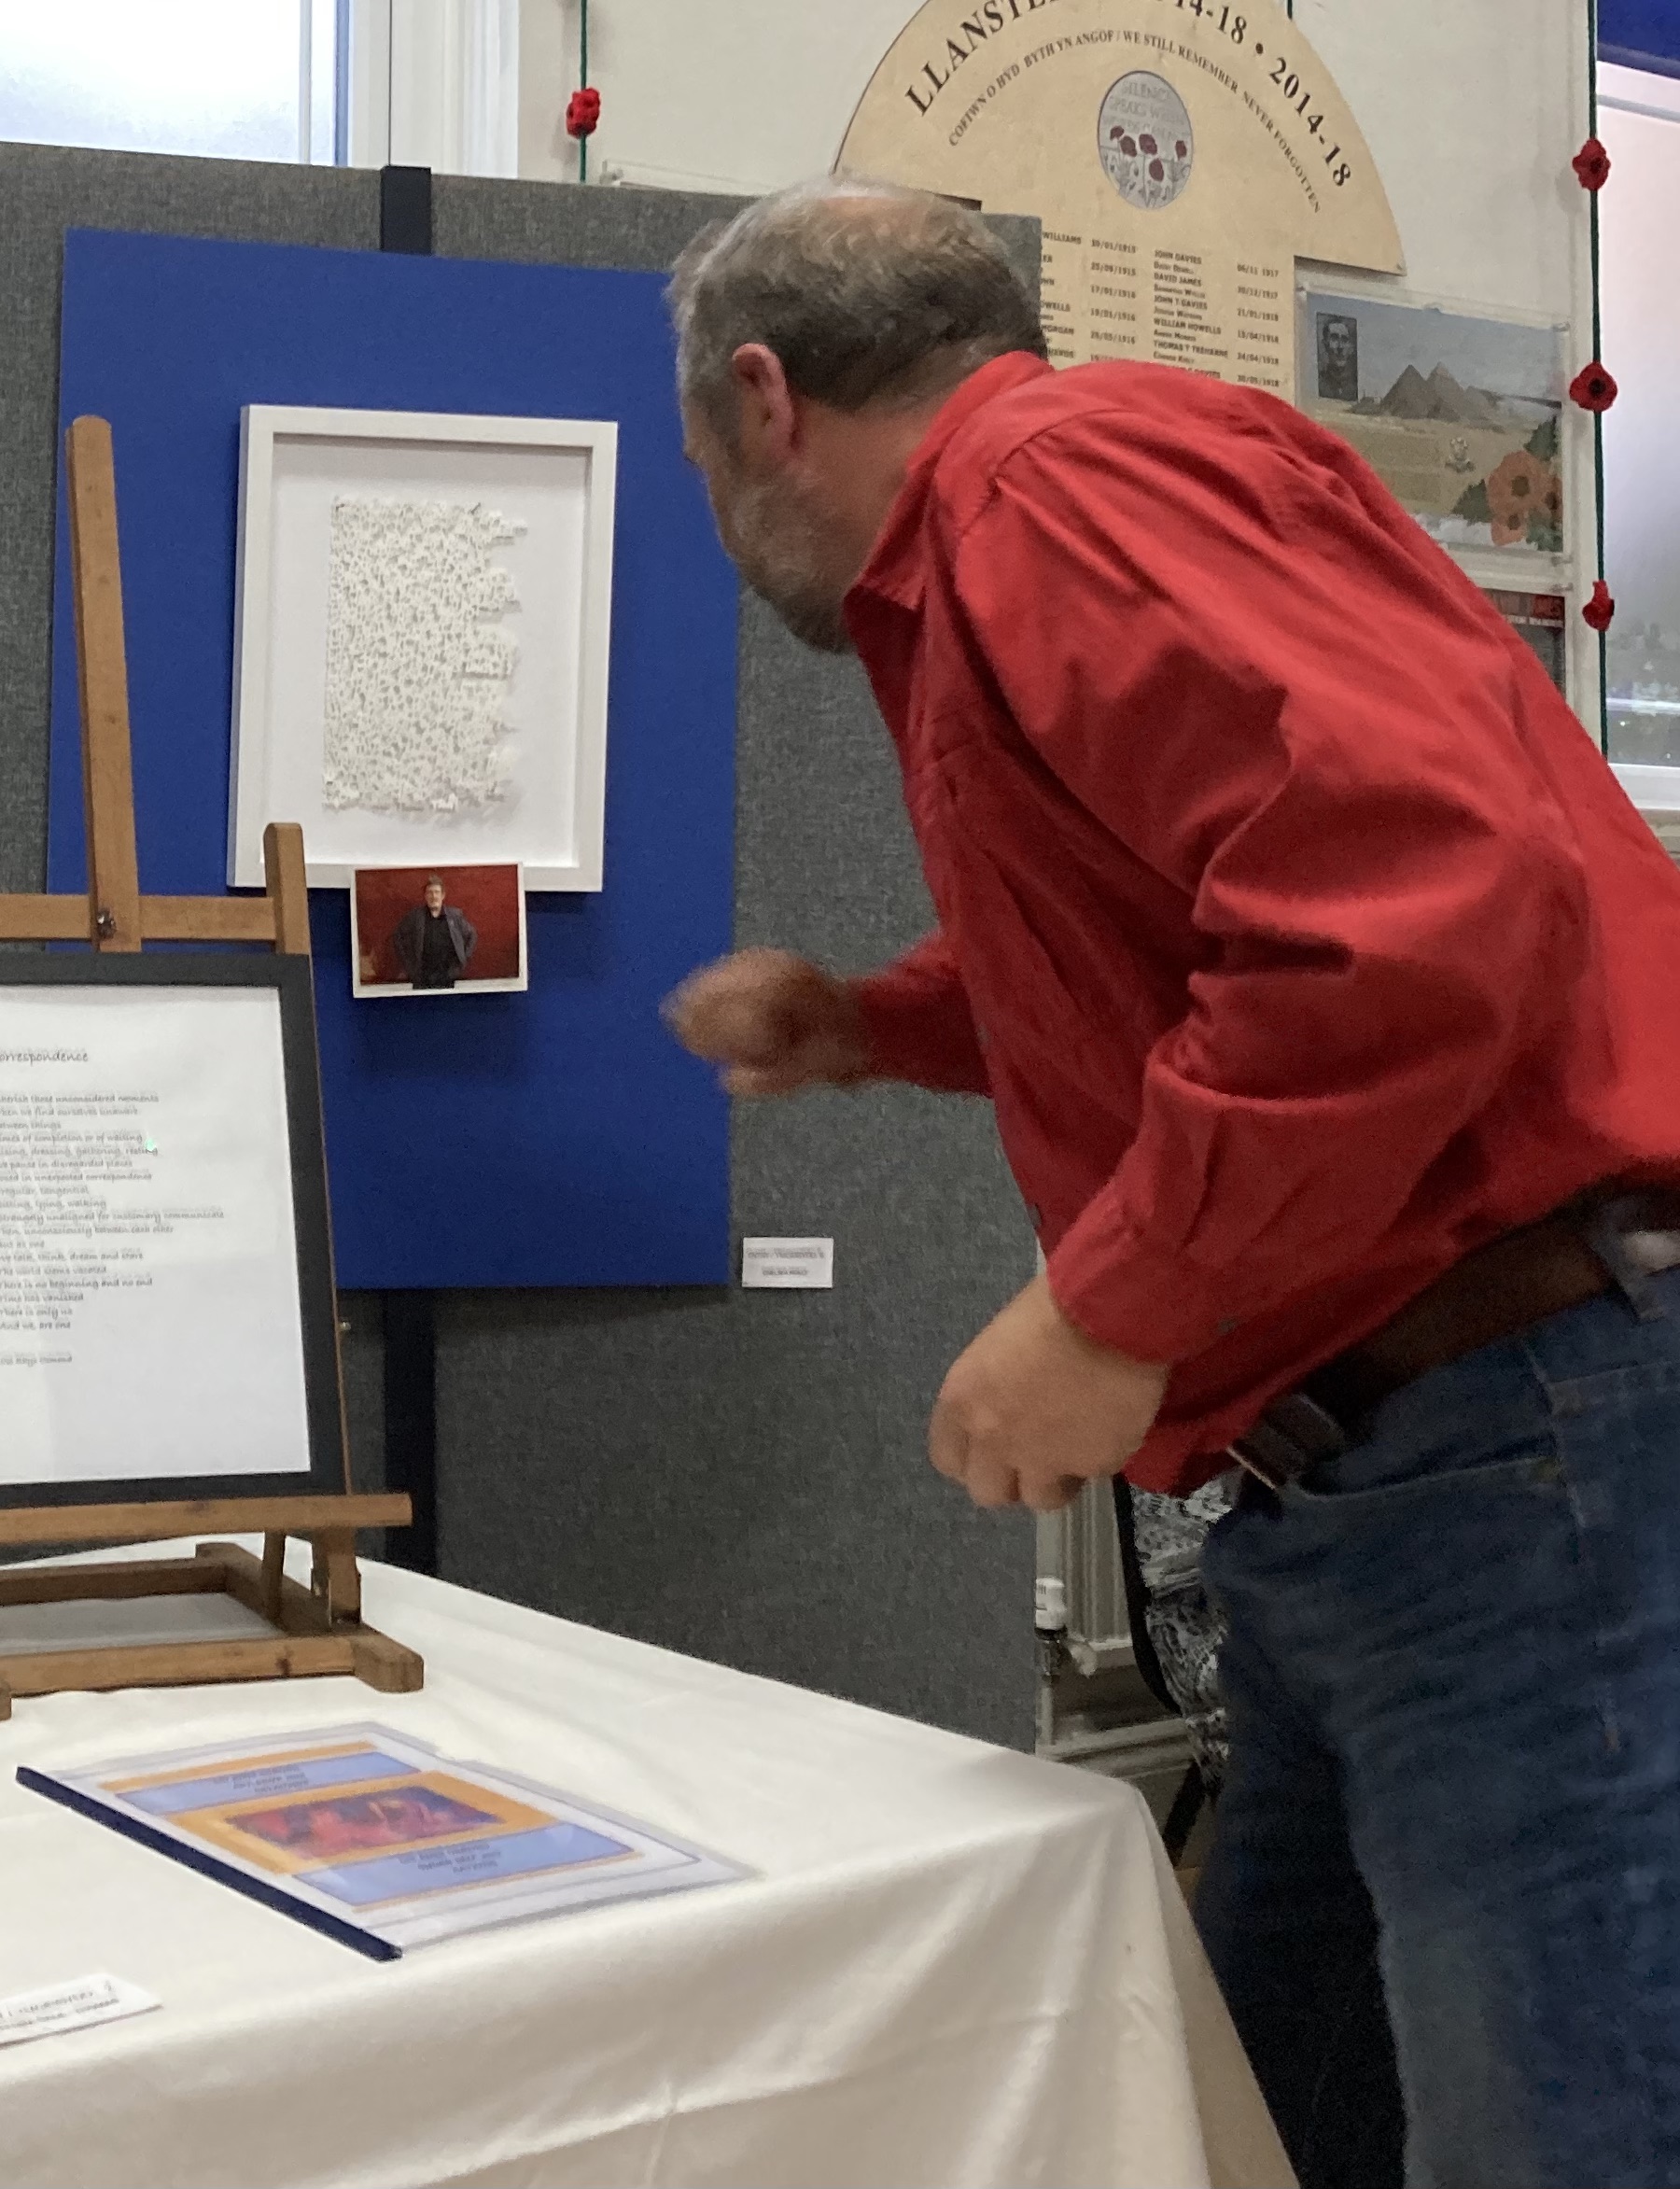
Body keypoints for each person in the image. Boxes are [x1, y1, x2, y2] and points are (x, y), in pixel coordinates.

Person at [655, 175, 1680, 2189]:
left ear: (763, 400)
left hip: (1502, 1443)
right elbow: (1180, 929)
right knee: (1256, 2110)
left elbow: (1407, 912)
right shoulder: (1053, 507)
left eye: (697, 457)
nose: (716, 509)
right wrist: (875, 1020)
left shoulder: (1048, 492)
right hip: (1388, 1481)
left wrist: (1106, 1306)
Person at [385, 876, 475, 989]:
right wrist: (409, 967)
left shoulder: (455, 916)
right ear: (425, 896)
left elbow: (472, 936)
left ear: (443, 895)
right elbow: (397, 937)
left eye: (437, 892)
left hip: (449, 978)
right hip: (422, 979)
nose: (433, 896)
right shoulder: (415, 917)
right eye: (430, 893)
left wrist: (462, 961)